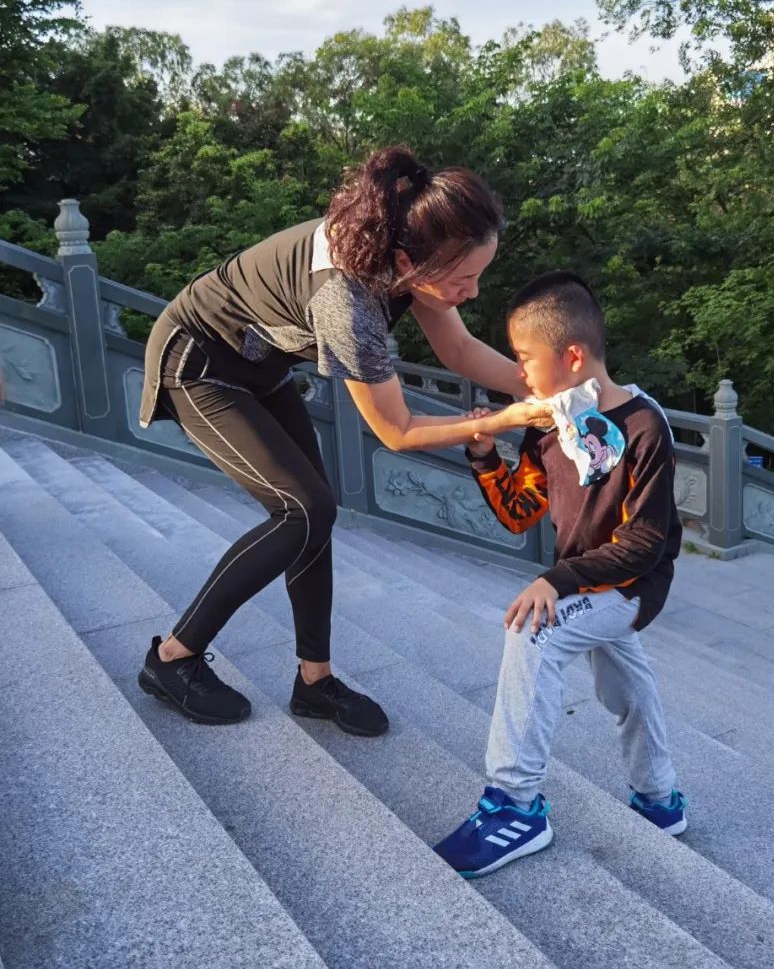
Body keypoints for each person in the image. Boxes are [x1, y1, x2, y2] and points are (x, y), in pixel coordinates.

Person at [136, 145, 552, 733]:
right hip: (197, 364)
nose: (473, 292)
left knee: (315, 514)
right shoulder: (346, 300)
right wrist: (504, 421)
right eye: (464, 279)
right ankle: (171, 660)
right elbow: (397, 430)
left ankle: (314, 682)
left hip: (261, 366)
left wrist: (545, 388)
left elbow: (457, 350)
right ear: (411, 261)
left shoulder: (403, 253)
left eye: (478, 275)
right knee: (304, 510)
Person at [433, 271, 687, 879]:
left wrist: (558, 580)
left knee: (533, 632)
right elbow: (520, 511)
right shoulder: (548, 426)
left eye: (525, 359)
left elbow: (646, 542)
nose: (519, 374)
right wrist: (483, 454)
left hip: (631, 585)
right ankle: (660, 800)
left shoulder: (645, 426)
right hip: (585, 582)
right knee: (627, 686)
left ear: (572, 356)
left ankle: (514, 807)